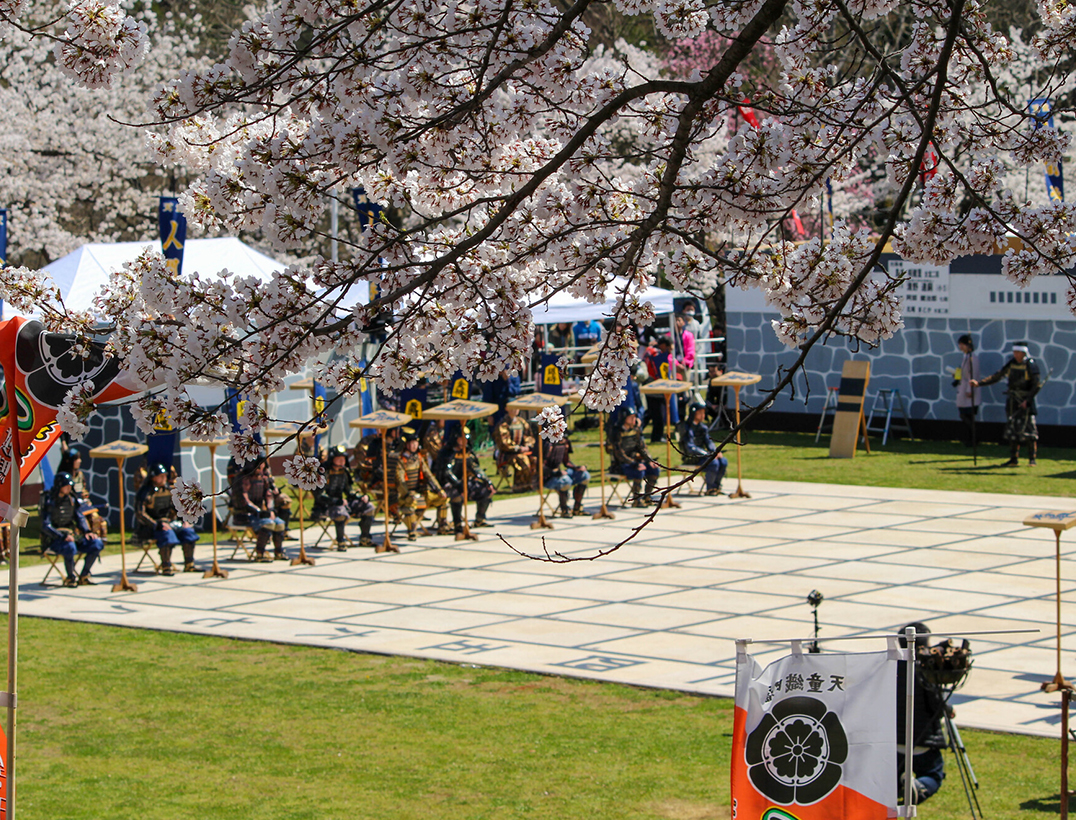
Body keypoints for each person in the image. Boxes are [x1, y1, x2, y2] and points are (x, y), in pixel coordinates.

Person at [896, 623, 948, 805]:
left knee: (889, 780)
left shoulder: (888, 669)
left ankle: (892, 795)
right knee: (933, 774)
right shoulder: (925, 670)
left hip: (892, 741)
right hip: (923, 741)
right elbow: (937, 708)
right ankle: (920, 786)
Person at [971, 340, 1042, 466]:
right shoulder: (1012, 364)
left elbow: (1036, 385)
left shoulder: (1031, 365)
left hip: (1025, 400)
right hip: (1013, 401)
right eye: (1014, 352)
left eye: (1018, 352)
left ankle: (1032, 459)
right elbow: (998, 376)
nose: (1015, 354)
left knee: (1029, 430)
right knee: (1012, 430)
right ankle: (1013, 458)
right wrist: (979, 383)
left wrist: (1028, 400)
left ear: (1023, 353)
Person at [39, 472, 105, 586]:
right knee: (70, 547)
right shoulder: (50, 501)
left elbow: (80, 517)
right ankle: (70, 577)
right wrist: (62, 536)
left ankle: (84, 575)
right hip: (55, 539)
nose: (69, 488)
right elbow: (46, 525)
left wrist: (87, 531)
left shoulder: (72, 500)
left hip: (72, 536)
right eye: (66, 485)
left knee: (97, 543)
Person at [135, 463, 200, 575]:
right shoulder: (145, 493)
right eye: (161, 476)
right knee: (167, 534)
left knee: (188, 531)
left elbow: (176, 507)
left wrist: (184, 520)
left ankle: (189, 564)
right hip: (150, 527)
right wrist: (156, 524)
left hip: (168, 523)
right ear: (154, 477)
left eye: (165, 475)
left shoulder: (168, 490)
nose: (164, 478)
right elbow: (140, 513)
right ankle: (166, 566)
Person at [312, 444, 379, 550]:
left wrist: (360, 497)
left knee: (369, 507)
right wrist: (336, 501)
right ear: (332, 459)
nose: (342, 462)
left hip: (342, 503)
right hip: (325, 506)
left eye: (343, 459)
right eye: (339, 459)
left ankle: (365, 538)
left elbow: (349, 491)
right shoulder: (323, 472)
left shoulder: (344, 472)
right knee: (340, 512)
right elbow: (320, 495)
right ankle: (340, 541)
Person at [434, 430, 494, 533]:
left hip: (466, 483)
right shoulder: (447, 453)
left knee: (485, 490)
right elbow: (447, 473)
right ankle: (457, 523)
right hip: (448, 485)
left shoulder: (468, 453)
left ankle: (480, 519)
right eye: (461, 439)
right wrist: (459, 486)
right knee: (456, 495)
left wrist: (487, 481)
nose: (464, 442)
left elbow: (476, 468)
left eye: (465, 439)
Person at [396, 429, 451, 539]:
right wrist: (407, 494)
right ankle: (412, 530)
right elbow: (400, 480)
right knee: (410, 504)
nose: (414, 445)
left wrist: (439, 490)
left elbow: (429, 475)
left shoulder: (419, 458)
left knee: (443, 499)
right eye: (411, 443)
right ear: (406, 444)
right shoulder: (401, 460)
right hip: (406, 494)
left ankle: (443, 526)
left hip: (421, 491)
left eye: (416, 443)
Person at [232, 459, 289, 561]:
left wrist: (270, 510)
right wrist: (258, 511)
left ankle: (278, 552)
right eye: (258, 467)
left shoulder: (263, 479)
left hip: (260, 514)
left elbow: (268, 495)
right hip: (245, 514)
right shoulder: (243, 479)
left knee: (280, 523)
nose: (261, 470)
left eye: (263, 468)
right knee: (268, 523)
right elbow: (244, 500)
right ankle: (260, 553)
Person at [611, 407, 660, 506]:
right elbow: (619, 454)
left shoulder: (636, 430)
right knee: (639, 470)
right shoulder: (617, 432)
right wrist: (634, 464)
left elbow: (642, 448)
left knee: (654, 469)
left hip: (636, 461)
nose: (634, 419)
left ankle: (647, 496)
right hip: (622, 465)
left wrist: (649, 460)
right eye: (631, 417)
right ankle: (636, 499)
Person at [57, 445, 108, 540]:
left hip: (82, 505)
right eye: (77, 459)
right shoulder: (63, 478)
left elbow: (84, 490)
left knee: (101, 521)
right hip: (72, 507)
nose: (79, 461)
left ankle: (97, 542)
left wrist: (86, 500)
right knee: (93, 518)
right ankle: (91, 539)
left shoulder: (80, 475)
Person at [680, 401, 727, 495]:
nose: (703, 415)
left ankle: (716, 486)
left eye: (703, 413)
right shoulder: (686, 427)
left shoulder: (703, 427)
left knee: (723, 461)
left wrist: (715, 452)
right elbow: (690, 447)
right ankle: (710, 488)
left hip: (703, 456)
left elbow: (708, 442)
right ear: (694, 413)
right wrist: (708, 455)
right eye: (700, 413)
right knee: (713, 463)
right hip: (692, 457)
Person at [542, 427, 590, 517]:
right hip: (547, 477)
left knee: (584, 475)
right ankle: (564, 509)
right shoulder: (548, 444)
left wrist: (577, 468)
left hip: (559, 474)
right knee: (565, 480)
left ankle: (577, 507)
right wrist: (555, 473)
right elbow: (540, 466)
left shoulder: (564, 443)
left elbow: (566, 462)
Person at [492, 405, 535, 492]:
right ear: (506, 408)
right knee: (522, 460)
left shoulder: (521, 421)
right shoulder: (503, 423)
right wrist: (517, 448)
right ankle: (519, 486)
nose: (514, 410)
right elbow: (504, 442)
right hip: (507, 454)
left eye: (516, 408)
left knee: (535, 460)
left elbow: (528, 435)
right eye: (512, 408)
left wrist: (527, 446)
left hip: (522, 451)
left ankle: (530, 484)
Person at [953, 334, 981, 447]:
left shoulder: (972, 358)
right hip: (963, 387)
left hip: (969, 389)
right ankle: (970, 438)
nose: (960, 346)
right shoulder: (966, 357)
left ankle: (974, 437)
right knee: (964, 415)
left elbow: (972, 374)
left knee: (968, 415)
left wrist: (970, 389)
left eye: (962, 344)